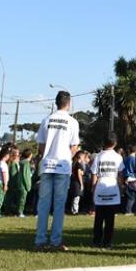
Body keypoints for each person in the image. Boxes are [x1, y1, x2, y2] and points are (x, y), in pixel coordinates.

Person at [34, 90, 80, 251]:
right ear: (69, 103)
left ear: (56, 103)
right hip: (62, 166)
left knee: (43, 204)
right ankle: (55, 241)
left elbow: (41, 145)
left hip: (47, 165)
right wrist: (67, 156)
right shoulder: (72, 122)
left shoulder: (46, 120)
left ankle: (40, 240)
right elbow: (74, 146)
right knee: (59, 205)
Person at [91, 135, 125, 249]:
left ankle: (96, 241)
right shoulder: (118, 157)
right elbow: (120, 174)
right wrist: (121, 187)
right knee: (110, 219)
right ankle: (107, 242)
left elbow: (94, 174)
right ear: (115, 143)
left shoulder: (98, 156)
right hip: (112, 187)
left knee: (98, 218)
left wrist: (93, 189)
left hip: (100, 187)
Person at [14, 147, 34, 217]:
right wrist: (28, 185)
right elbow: (26, 175)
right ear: (29, 155)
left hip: (20, 183)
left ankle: (18, 211)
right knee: (22, 199)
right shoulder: (26, 163)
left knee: (19, 199)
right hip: (23, 184)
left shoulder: (22, 162)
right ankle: (20, 212)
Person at [67, 150, 86, 215]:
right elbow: (79, 174)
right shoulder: (78, 164)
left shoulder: (74, 164)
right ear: (80, 156)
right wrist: (81, 184)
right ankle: (75, 211)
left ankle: (73, 210)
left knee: (74, 197)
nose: (84, 158)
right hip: (77, 183)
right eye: (83, 156)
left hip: (73, 182)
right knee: (76, 197)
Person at [123, 145, 136, 214]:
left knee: (128, 195)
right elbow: (135, 168)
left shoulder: (126, 159)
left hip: (126, 177)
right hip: (133, 178)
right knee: (132, 196)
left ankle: (127, 209)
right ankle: (128, 210)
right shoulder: (134, 159)